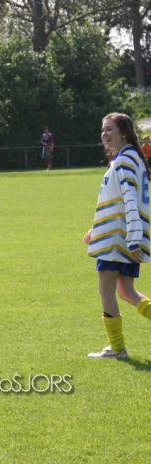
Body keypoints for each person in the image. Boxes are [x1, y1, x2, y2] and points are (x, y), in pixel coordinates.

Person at [83, 112, 151, 359]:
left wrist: (133, 239)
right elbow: (119, 201)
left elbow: (130, 201)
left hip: (118, 239)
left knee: (106, 290)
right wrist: (96, 229)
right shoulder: (130, 158)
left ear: (124, 133)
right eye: (103, 129)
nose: (105, 134)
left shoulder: (124, 161)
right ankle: (117, 347)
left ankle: (117, 348)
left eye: (110, 129)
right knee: (126, 291)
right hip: (123, 235)